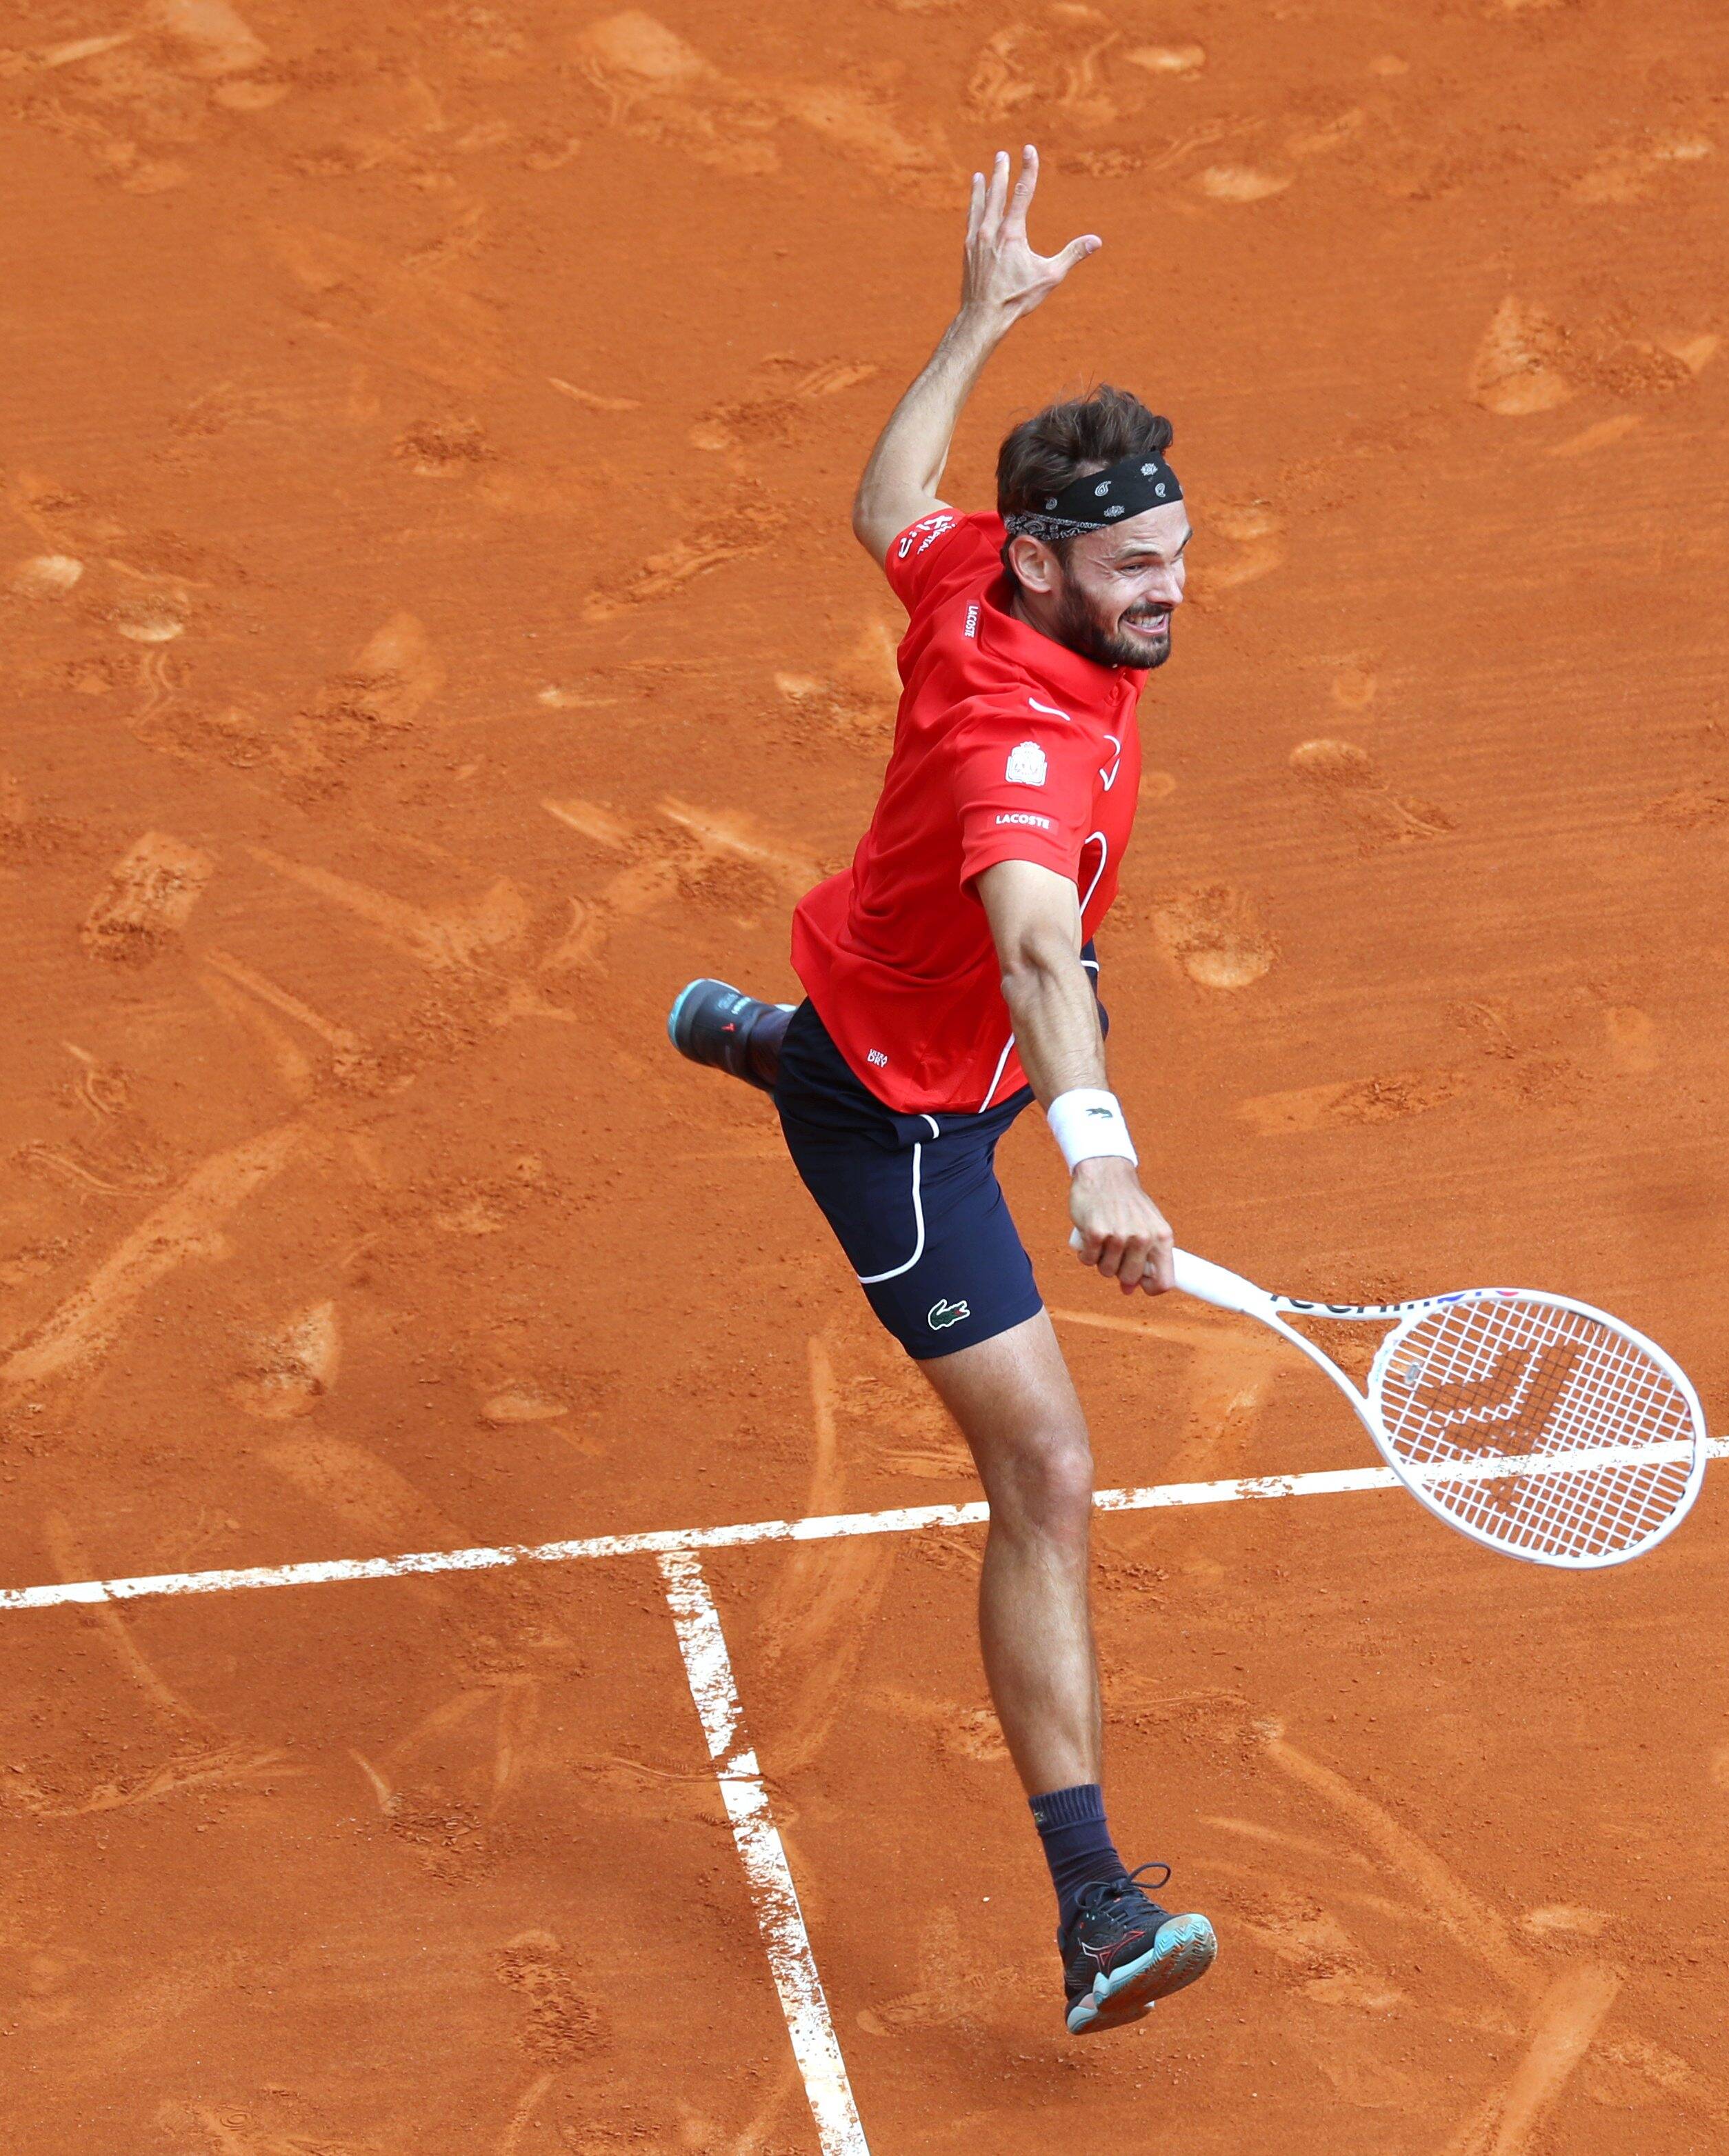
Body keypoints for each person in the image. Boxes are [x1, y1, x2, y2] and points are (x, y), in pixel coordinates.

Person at [666, 146, 1214, 2037]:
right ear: (1051, 560)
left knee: (979, 1018)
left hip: (918, 1014)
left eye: (1177, 556)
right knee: (1048, 1467)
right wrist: (1099, 1160)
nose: (1170, 593)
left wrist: (980, 319)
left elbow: (884, 495)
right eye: (1136, 567)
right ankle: (1090, 1911)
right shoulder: (1015, 755)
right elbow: (1034, 947)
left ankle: (765, 1031)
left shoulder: (981, 567)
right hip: (913, 1122)